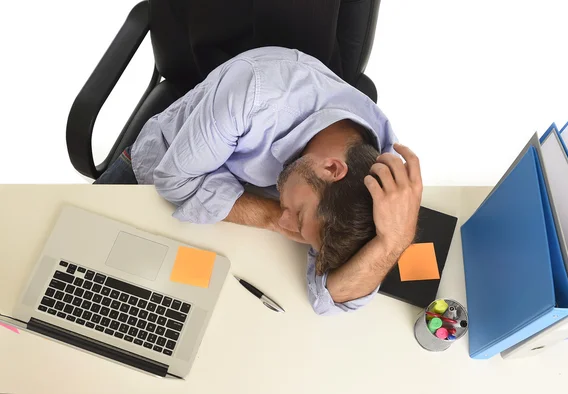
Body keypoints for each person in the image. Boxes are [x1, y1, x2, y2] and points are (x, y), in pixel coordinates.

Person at [96, 46, 422, 315]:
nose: (288, 221)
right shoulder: (254, 93)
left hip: (220, 223)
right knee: (89, 274)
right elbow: (171, 181)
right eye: (299, 216)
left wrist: (393, 242)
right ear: (332, 169)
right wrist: (270, 218)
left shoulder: (374, 172)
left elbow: (329, 301)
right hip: (154, 170)